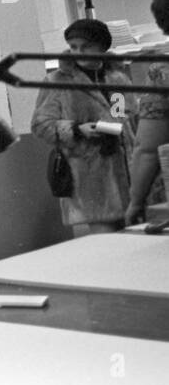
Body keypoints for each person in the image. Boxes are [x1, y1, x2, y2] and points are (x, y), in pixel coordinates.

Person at [31, 18, 132, 234]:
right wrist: (77, 129)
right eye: (74, 47)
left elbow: (122, 115)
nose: (79, 52)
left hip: (125, 170)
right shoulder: (57, 81)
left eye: (86, 47)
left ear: (102, 48)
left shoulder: (116, 78)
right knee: (106, 243)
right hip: (89, 175)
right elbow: (41, 124)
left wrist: (116, 127)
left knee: (134, 243)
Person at [126, 0, 169, 226]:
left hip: (128, 139)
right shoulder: (59, 82)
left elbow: (147, 144)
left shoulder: (116, 78)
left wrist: (136, 199)